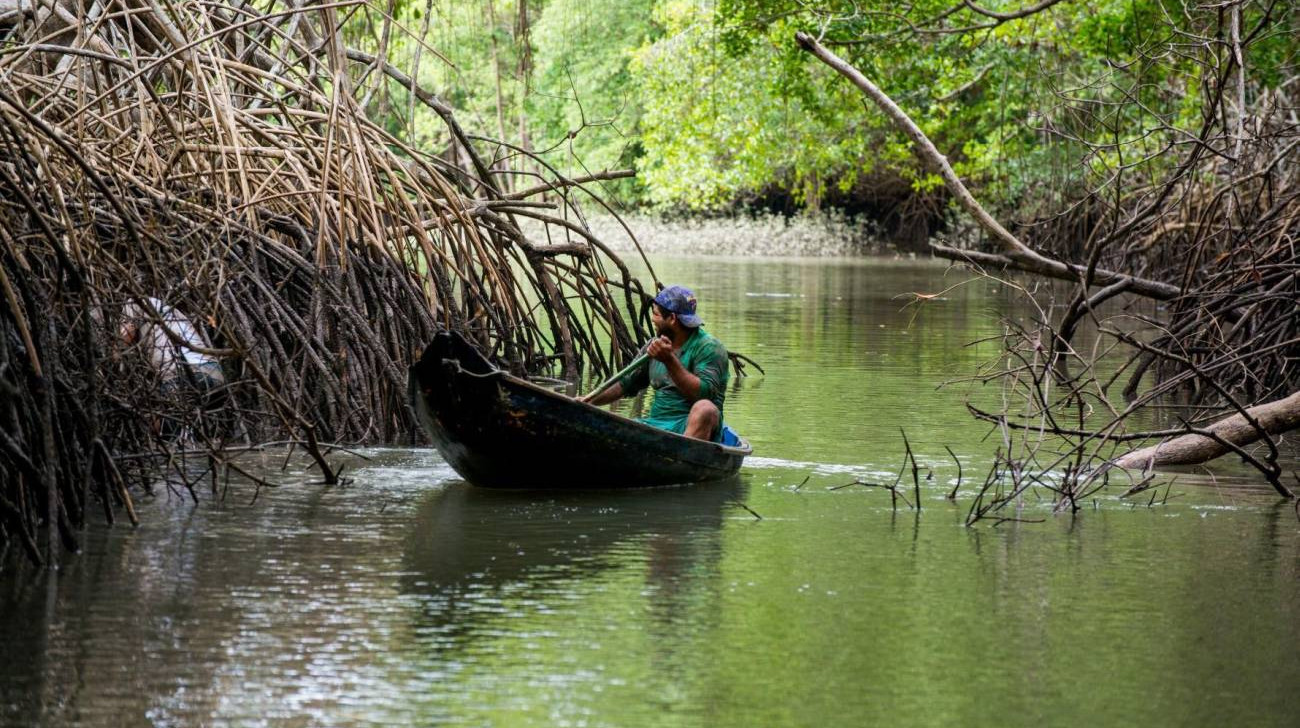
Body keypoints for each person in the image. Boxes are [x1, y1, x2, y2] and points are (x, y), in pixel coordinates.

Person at [581, 285, 729, 442]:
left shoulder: (710, 348)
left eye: (655, 314)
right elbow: (624, 384)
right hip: (655, 424)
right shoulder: (654, 345)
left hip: (688, 426)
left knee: (705, 408)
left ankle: (680, 459)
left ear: (672, 319)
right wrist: (587, 401)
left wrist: (669, 360)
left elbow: (704, 395)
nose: (652, 319)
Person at [120, 296, 225, 406]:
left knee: (163, 413)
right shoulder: (173, 312)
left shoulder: (133, 303)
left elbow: (125, 335)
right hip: (214, 372)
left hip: (181, 375)